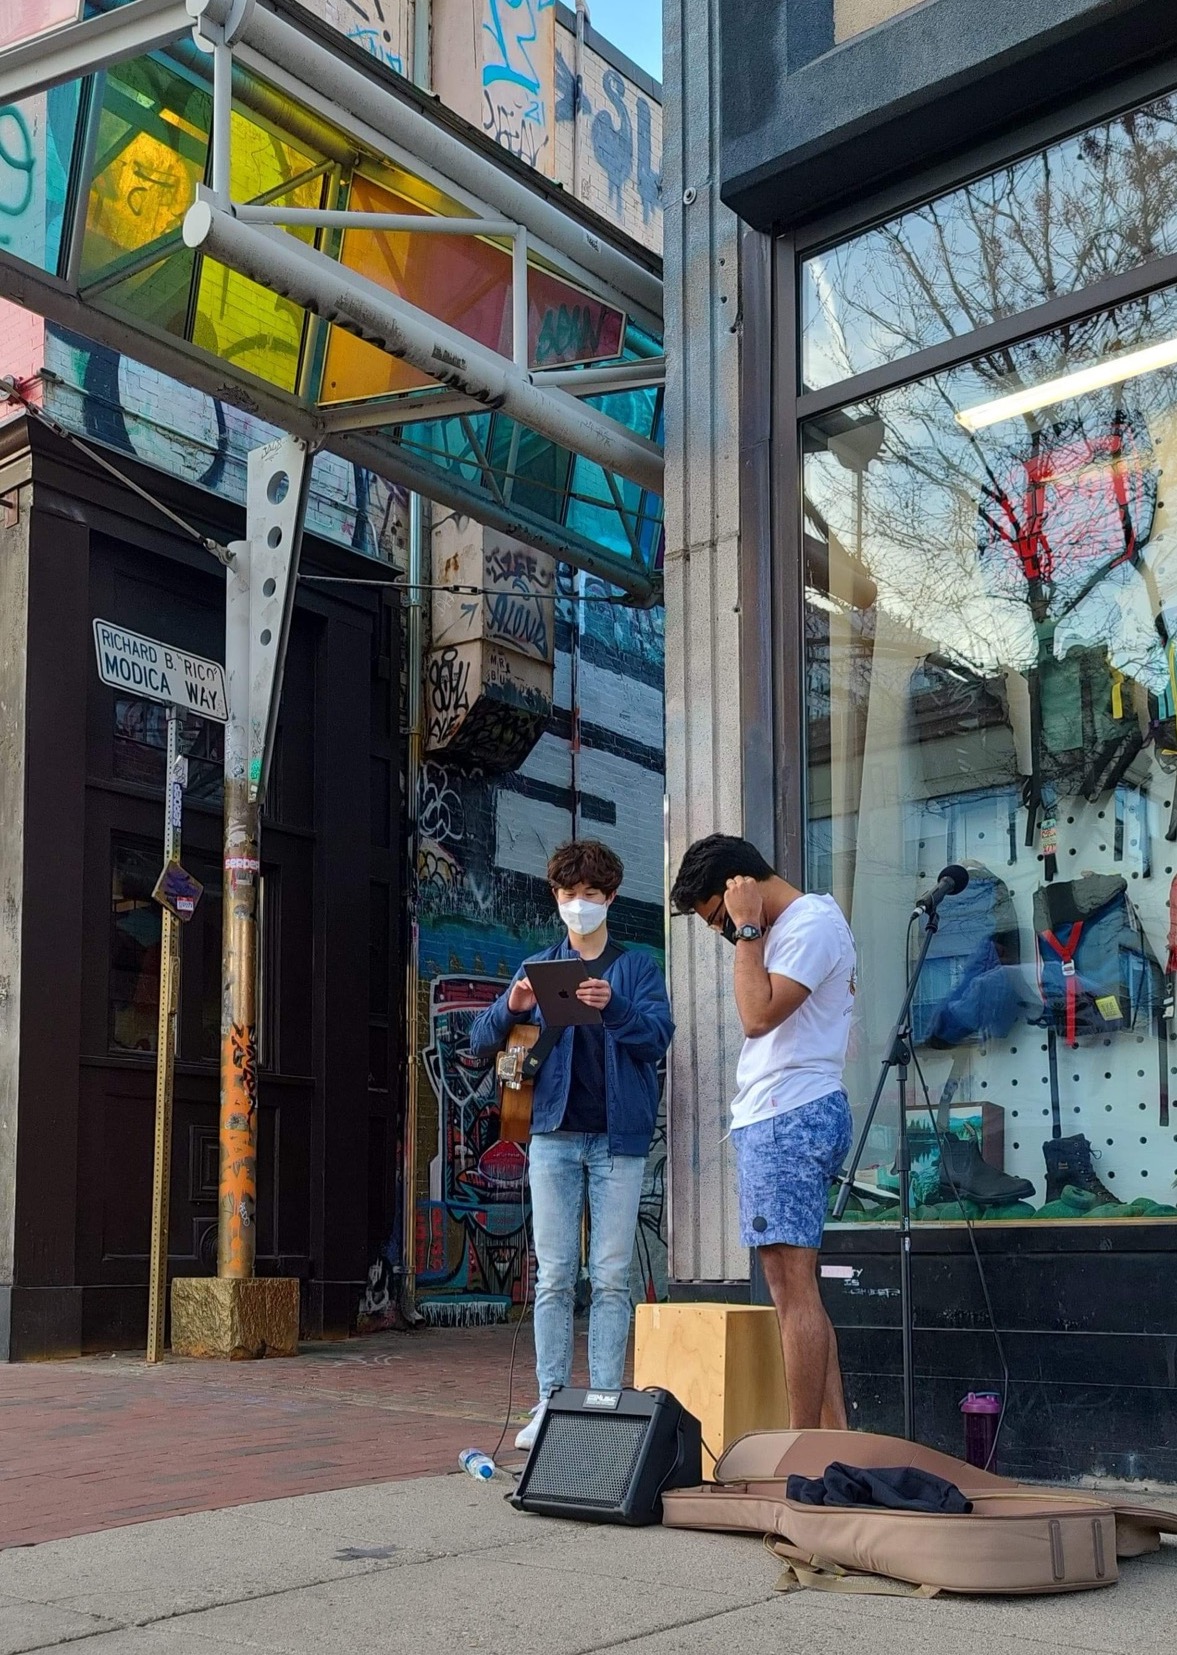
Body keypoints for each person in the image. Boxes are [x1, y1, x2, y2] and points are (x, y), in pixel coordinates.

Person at [469, 840, 673, 1450]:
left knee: (610, 1276)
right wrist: (512, 1004)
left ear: (609, 897)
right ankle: (551, 1401)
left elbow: (658, 1039)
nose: (578, 905)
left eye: (589, 895)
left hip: (618, 1139)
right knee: (555, 1274)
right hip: (552, 1137)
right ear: (555, 898)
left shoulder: (634, 968)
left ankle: (606, 1400)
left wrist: (614, 1010)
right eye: (567, 894)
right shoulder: (538, 966)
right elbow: (483, 1043)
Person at [671, 834, 856, 1430]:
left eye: (719, 919)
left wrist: (748, 928)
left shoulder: (807, 925)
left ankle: (800, 1448)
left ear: (740, 884)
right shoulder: (800, 927)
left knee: (790, 1290)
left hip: (789, 1114)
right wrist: (748, 930)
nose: (725, 936)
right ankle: (832, 1439)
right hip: (782, 1115)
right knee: (796, 1288)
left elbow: (756, 1016)